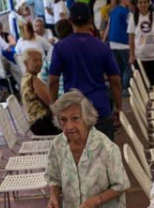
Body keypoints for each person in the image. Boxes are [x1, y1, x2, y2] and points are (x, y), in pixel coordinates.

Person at [49, 2, 123, 140]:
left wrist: (55, 108)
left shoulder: (60, 47)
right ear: (90, 20)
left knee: (78, 156)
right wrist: (118, 107)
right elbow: (115, 80)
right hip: (99, 107)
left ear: (70, 21)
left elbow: (53, 82)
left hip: (73, 110)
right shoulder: (102, 47)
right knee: (104, 155)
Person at [21, 49, 61, 135]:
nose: (39, 63)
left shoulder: (25, 78)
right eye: (35, 60)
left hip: (35, 123)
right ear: (25, 63)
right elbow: (51, 101)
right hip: (42, 124)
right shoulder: (33, 80)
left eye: (40, 60)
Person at [129, 0, 154, 86]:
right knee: (142, 83)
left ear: (148, 3)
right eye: (140, 2)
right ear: (137, 4)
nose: (143, 5)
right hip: (140, 57)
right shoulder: (133, 18)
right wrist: (131, 55)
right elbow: (131, 38)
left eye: (145, 2)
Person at [105, 0, 132, 94]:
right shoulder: (126, 13)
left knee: (118, 68)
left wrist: (104, 39)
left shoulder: (113, 11)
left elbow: (109, 26)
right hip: (124, 42)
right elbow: (130, 27)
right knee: (127, 67)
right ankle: (125, 88)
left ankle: (118, 88)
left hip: (113, 42)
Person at [41, 19, 73, 97]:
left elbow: (43, 77)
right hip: (78, 95)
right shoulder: (78, 47)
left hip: (60, 96)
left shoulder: (52, 50)